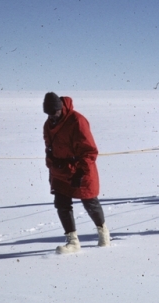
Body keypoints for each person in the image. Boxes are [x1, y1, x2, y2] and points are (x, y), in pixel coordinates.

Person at [43, 92, 110, 254]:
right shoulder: (48, 124)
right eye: (48, 113)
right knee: (61, 203)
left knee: (90, 202)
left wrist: (81, 172)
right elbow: (49, 147)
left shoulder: (77, 121)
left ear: (61, 108)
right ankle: (72, 241)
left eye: (55, 112)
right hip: (60, 170)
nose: (52, 116)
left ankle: (103, 233)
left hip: (81, 168)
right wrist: (51, 162)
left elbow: (90, 150)